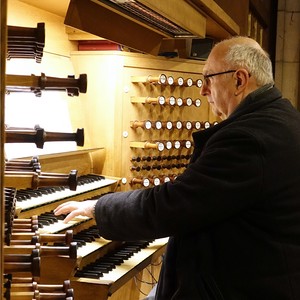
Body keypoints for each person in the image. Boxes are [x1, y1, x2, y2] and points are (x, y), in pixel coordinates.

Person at [54, 36, 300, 300]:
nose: (203, 91)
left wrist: (98, 207)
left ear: (239, 80)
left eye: (209, 79)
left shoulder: (249, 139)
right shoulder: (282, 118)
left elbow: (175, 203)